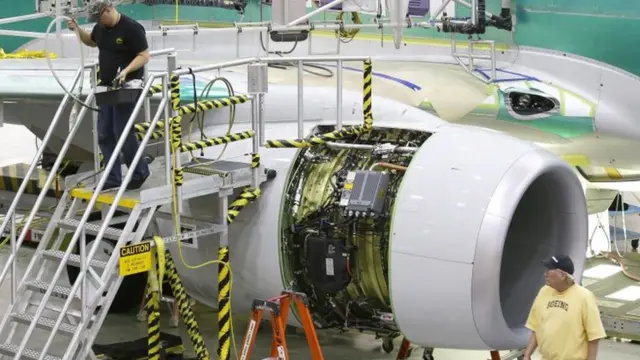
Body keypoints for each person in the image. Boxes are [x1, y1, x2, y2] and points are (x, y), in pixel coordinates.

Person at [68, 0, 150, 191]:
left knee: (122, 131)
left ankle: (140, 173)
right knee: (104, 133)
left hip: (127, 85)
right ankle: (113, 178)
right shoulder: (101, 27)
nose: (99, 22)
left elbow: (144, 55)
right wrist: (78, 30)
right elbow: (91, 41)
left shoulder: (131, 28)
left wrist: (126, 71)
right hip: (106, 86)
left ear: (108, 10)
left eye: (100, 17)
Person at [523, 255, 607, 360]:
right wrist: (527, 355)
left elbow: (594, 337)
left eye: (549, 271)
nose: (545, 274)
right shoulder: (544, 292)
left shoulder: (585, 297)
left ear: (562, 275)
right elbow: (536, 328)